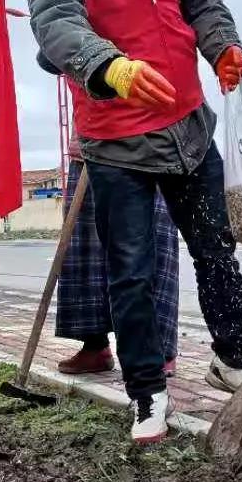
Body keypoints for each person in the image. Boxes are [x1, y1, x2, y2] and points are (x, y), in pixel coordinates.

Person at [26, 0, 242, 444]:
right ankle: (148, 393)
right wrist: (112, 67)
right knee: (130, 270)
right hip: (117, 138)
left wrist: (224, 46)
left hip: (187, 123)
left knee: (216, 244)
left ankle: (235, 359)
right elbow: (57, 24)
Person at [55, 136, 180, 376]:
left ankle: (160, 351)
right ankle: (95, 345)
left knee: (153, 241)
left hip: (150, 141)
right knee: (87, 243)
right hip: (93, 138)